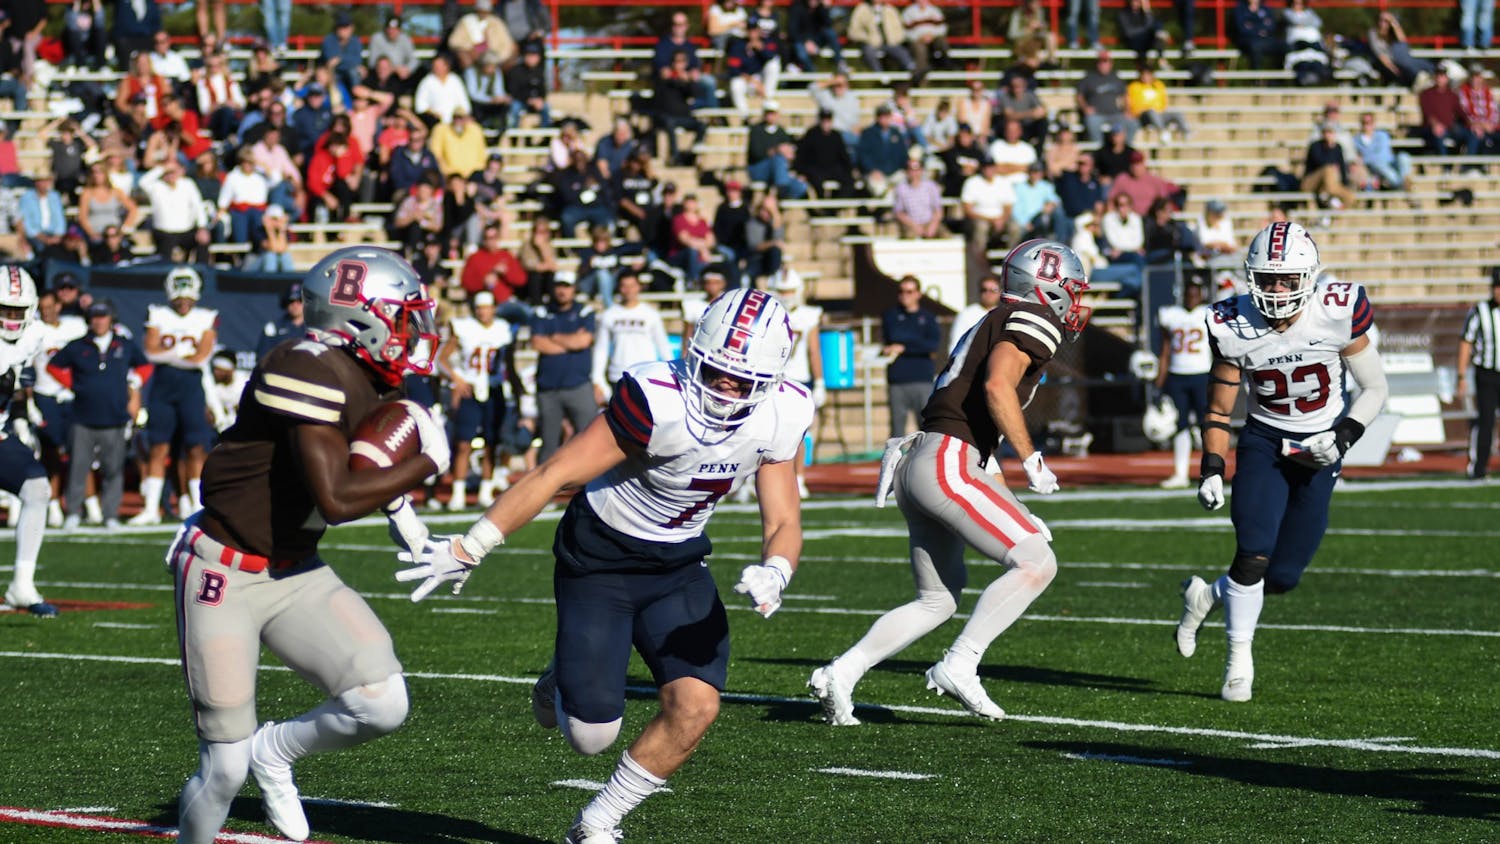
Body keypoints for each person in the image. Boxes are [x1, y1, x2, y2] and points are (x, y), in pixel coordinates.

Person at [394, 288, 812, 844]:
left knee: (696, 706)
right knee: (591, 736)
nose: (724, 390)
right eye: (714, 372)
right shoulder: (656, 397)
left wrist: (776, 569)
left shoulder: (784, 410)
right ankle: (560, 678)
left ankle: (598, 822)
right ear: (694, 354)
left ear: (773, 378)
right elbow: (555, 474)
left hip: (680, 563)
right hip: (601, 557)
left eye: (742, 381)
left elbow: (782, 517)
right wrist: (471, 546)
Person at [167, 247, 445, 843]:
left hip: (296, 568)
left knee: (381, 701)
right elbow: (338, 498)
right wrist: (425, 462)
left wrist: (404, 513)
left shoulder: (360, 375)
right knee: (223, 770)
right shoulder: (303, 363)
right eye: (401, 316)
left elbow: (345, 455)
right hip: (225, 572)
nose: (412, 331)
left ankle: (277, 752)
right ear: (359, 316)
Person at [810, 241, 1090, 725]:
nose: (1075, 300)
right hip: (946, 462)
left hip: (928, 460)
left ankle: (842, 672)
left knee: (938, 598)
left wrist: (1013, 502)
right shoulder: (1033, 320)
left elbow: (982, 433)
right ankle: (960, 663)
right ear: (1046, 286)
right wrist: (1033, 458)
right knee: (1037, 563)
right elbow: (997, 387)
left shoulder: (991, 320)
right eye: (1071, 288)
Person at [1175, 222, 1388, 702]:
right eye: (1267, 278)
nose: (1275, 289)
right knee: (1253, 549)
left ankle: (1208, 595)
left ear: (1308, 277)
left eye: (1287, 279)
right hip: (1265, 443)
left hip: (1322, 448)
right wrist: (1211, 466)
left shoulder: (1336, 310)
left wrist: (1342, 438)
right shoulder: (1231, 323)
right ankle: (1238, 663)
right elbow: (1218, 408)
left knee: (1285, 575)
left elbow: (1376, 388)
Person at [48, 298, 151, 531]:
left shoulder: (124, 345)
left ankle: (110, 514)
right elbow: (53, 366)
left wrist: (134, 384)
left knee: (113, 469)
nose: (99, 321)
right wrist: (73, 384)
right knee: (78, 467)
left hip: (114, 417)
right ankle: (73, 512)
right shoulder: (78, 345)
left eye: (103, 316)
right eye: (95, 316)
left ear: (111, 318)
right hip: (82, 417)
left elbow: (144, 366)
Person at [130, 268, 218, 525]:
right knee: (158, 447)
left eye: (187, 298)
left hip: (191, 387)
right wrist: (183, 354)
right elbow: (151, 351)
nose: (183, 303)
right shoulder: (158, 313)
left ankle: (198, 506)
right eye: (179, 298)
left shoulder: (205, 317)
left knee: (195, 448)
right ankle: (150, 509)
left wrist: (172, 354)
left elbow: (202, 356)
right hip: (164, 387)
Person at [0, 267, 57, 616]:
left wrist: (20, 417)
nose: (11, 317)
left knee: (37, 489)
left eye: (17, 310)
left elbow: (18, 379)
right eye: (5, 309)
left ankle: (22, 584)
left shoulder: (34, 334)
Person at [438, 289, 517, 510]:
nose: (483, 312)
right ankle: (458, 491)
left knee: (492, 442)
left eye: (487, 307)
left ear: (494, 308)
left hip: (494, 389)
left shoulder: (503, 329)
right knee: (463, 443)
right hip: (470, 390)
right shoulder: (464, 327)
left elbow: (508, 362)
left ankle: (485, 490)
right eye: (479, 307)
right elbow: (441, 359)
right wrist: (457, 379)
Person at [530, 272, 599, 462]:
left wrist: (554, 337)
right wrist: (570, 341)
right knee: (548, 441)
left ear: (574, 288)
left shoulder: (585, 311)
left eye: (566, 286)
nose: (562, 291)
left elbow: (584, 341)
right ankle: (544, 489)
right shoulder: (541, 312)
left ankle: (590, 485)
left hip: (578, 384)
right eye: (559, 286)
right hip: (548, 388)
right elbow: (537, 343)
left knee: (588, 439)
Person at [771, 267, 825, 498]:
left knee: (799, 433)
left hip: (800, 380)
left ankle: (799, 478)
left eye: (790, 289)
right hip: (773, 379)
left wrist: (820, 380)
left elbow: (814, 350)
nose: (787, 294)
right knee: (768, 433)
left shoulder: (808, 315)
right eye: (783, 290)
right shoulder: (770, 314)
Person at [1154, 279, 1211, 489]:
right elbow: (1165, 351)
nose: (1192, 297)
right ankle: (1180, 473)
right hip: (1177, 375)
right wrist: (1159, 383)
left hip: (1202, 374)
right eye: (1189, 293)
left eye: (1196, 293)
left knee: (1208, 425)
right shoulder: (1171, 315)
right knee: (1180, 425)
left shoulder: (1208, 313)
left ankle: (1211, 471)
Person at [591, 268, 673, 404]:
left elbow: (663, 346)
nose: (628, 290)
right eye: (624, 286)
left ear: (638, 287)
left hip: (646, 376)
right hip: (618, 376)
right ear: (619, 288)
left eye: (632, 286)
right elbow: (601, 349)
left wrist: (671, 375)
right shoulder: (609, 315)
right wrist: (597, 379)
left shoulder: (650, 314)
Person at [881, 276, 941, 437]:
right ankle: (896, 462)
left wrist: (904, 346)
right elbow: (894, 335)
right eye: (901, 291)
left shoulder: (928, 317)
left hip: (922, 379)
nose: (905, 295)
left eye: (909, 291)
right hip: (898, 380)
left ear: (918, 294)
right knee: (897, 429)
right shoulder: (891, 315)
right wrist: (917, 343)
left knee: (926, 427)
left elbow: (932, 345)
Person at [1457, 274, 1500, 481]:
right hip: (1487, 374)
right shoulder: (1480, 311)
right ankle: (1478, 468)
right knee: (1486, 420)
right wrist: (1461, 375)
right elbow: (1466, 342)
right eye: (1497, 287)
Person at [257, 281, 305, 361]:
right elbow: (263, 358)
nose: (295, 305)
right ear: (285, 303)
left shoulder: (315, 328)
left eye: (299, 301)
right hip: (279, 371)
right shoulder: (273, 328)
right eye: (291, 301)